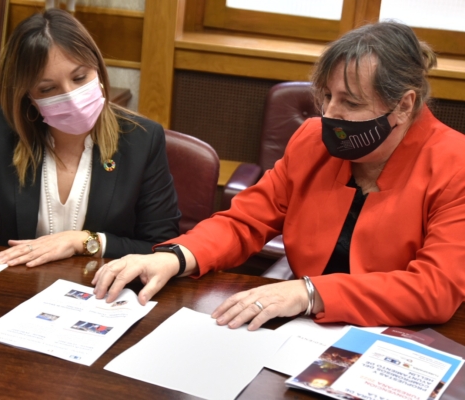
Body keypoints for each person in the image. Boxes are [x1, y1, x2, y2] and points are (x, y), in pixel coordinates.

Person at [92, 21, 465, 328]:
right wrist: (176, 256)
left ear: (404, 104)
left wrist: (308, 292)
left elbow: (435, 288)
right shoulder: (312, 141)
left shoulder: (455, 164)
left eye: (351, 103)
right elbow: (245, 221)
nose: (331, 114)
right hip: (303, 329)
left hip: (402, 339)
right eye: (327, 96)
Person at [0, 9, 180, 267]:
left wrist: (83, 241)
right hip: (16, 289)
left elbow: (162, 248)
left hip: (98, 293)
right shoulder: (3, 127)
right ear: (29, 97)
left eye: (80, 77)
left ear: (98, 69)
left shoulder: (142, 140)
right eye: (48, 89)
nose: (71, 96)